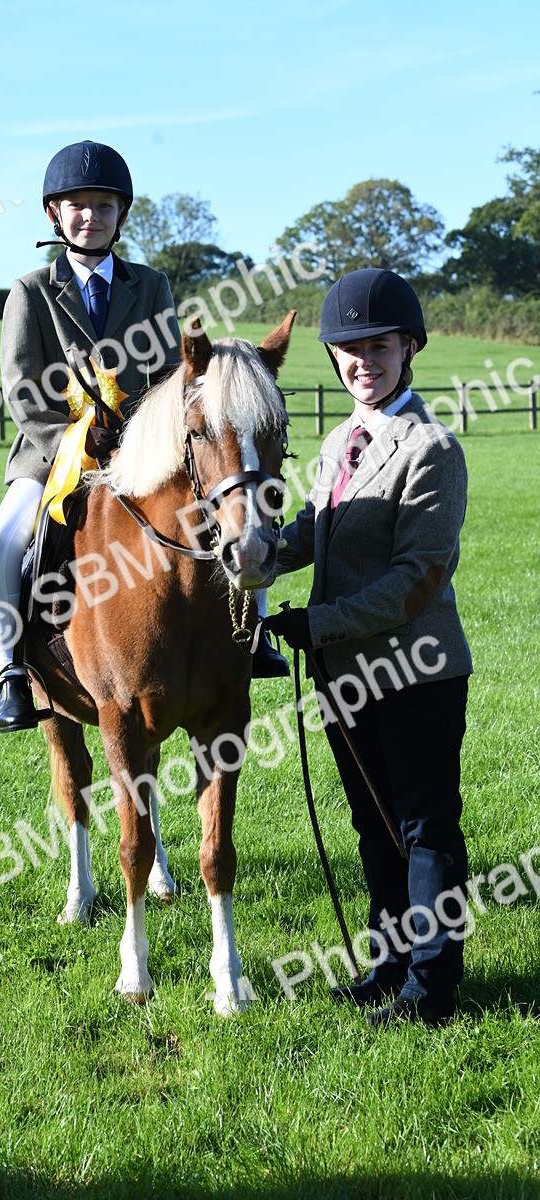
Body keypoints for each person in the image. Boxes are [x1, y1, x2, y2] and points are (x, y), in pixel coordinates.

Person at [266, 268, 473, 1027]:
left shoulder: (432, 449)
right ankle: (390, 966)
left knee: (422, 827)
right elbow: (309, 533)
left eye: (379, 348)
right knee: (374, 825)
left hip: (416, 671)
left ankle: (432, 987)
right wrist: (242, 553)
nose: (363, 363)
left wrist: (317, 625)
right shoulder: (338, 444)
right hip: (346, 677)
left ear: (408, 348)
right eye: (349, 351)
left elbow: (415, 581)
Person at [0, 139, 182, 732]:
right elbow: (22, 389)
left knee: (223, 507)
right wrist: (72, 444)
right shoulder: (31, 292)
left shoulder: (151, 286)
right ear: (55, 213)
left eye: (103, 205)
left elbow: (169, 373)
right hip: (50, 457)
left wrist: (143, 441)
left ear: (122, 215)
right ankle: (9, 670)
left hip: (142, 453)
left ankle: (250, 638)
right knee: (1, 542)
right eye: (78, 205)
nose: (90, 216)